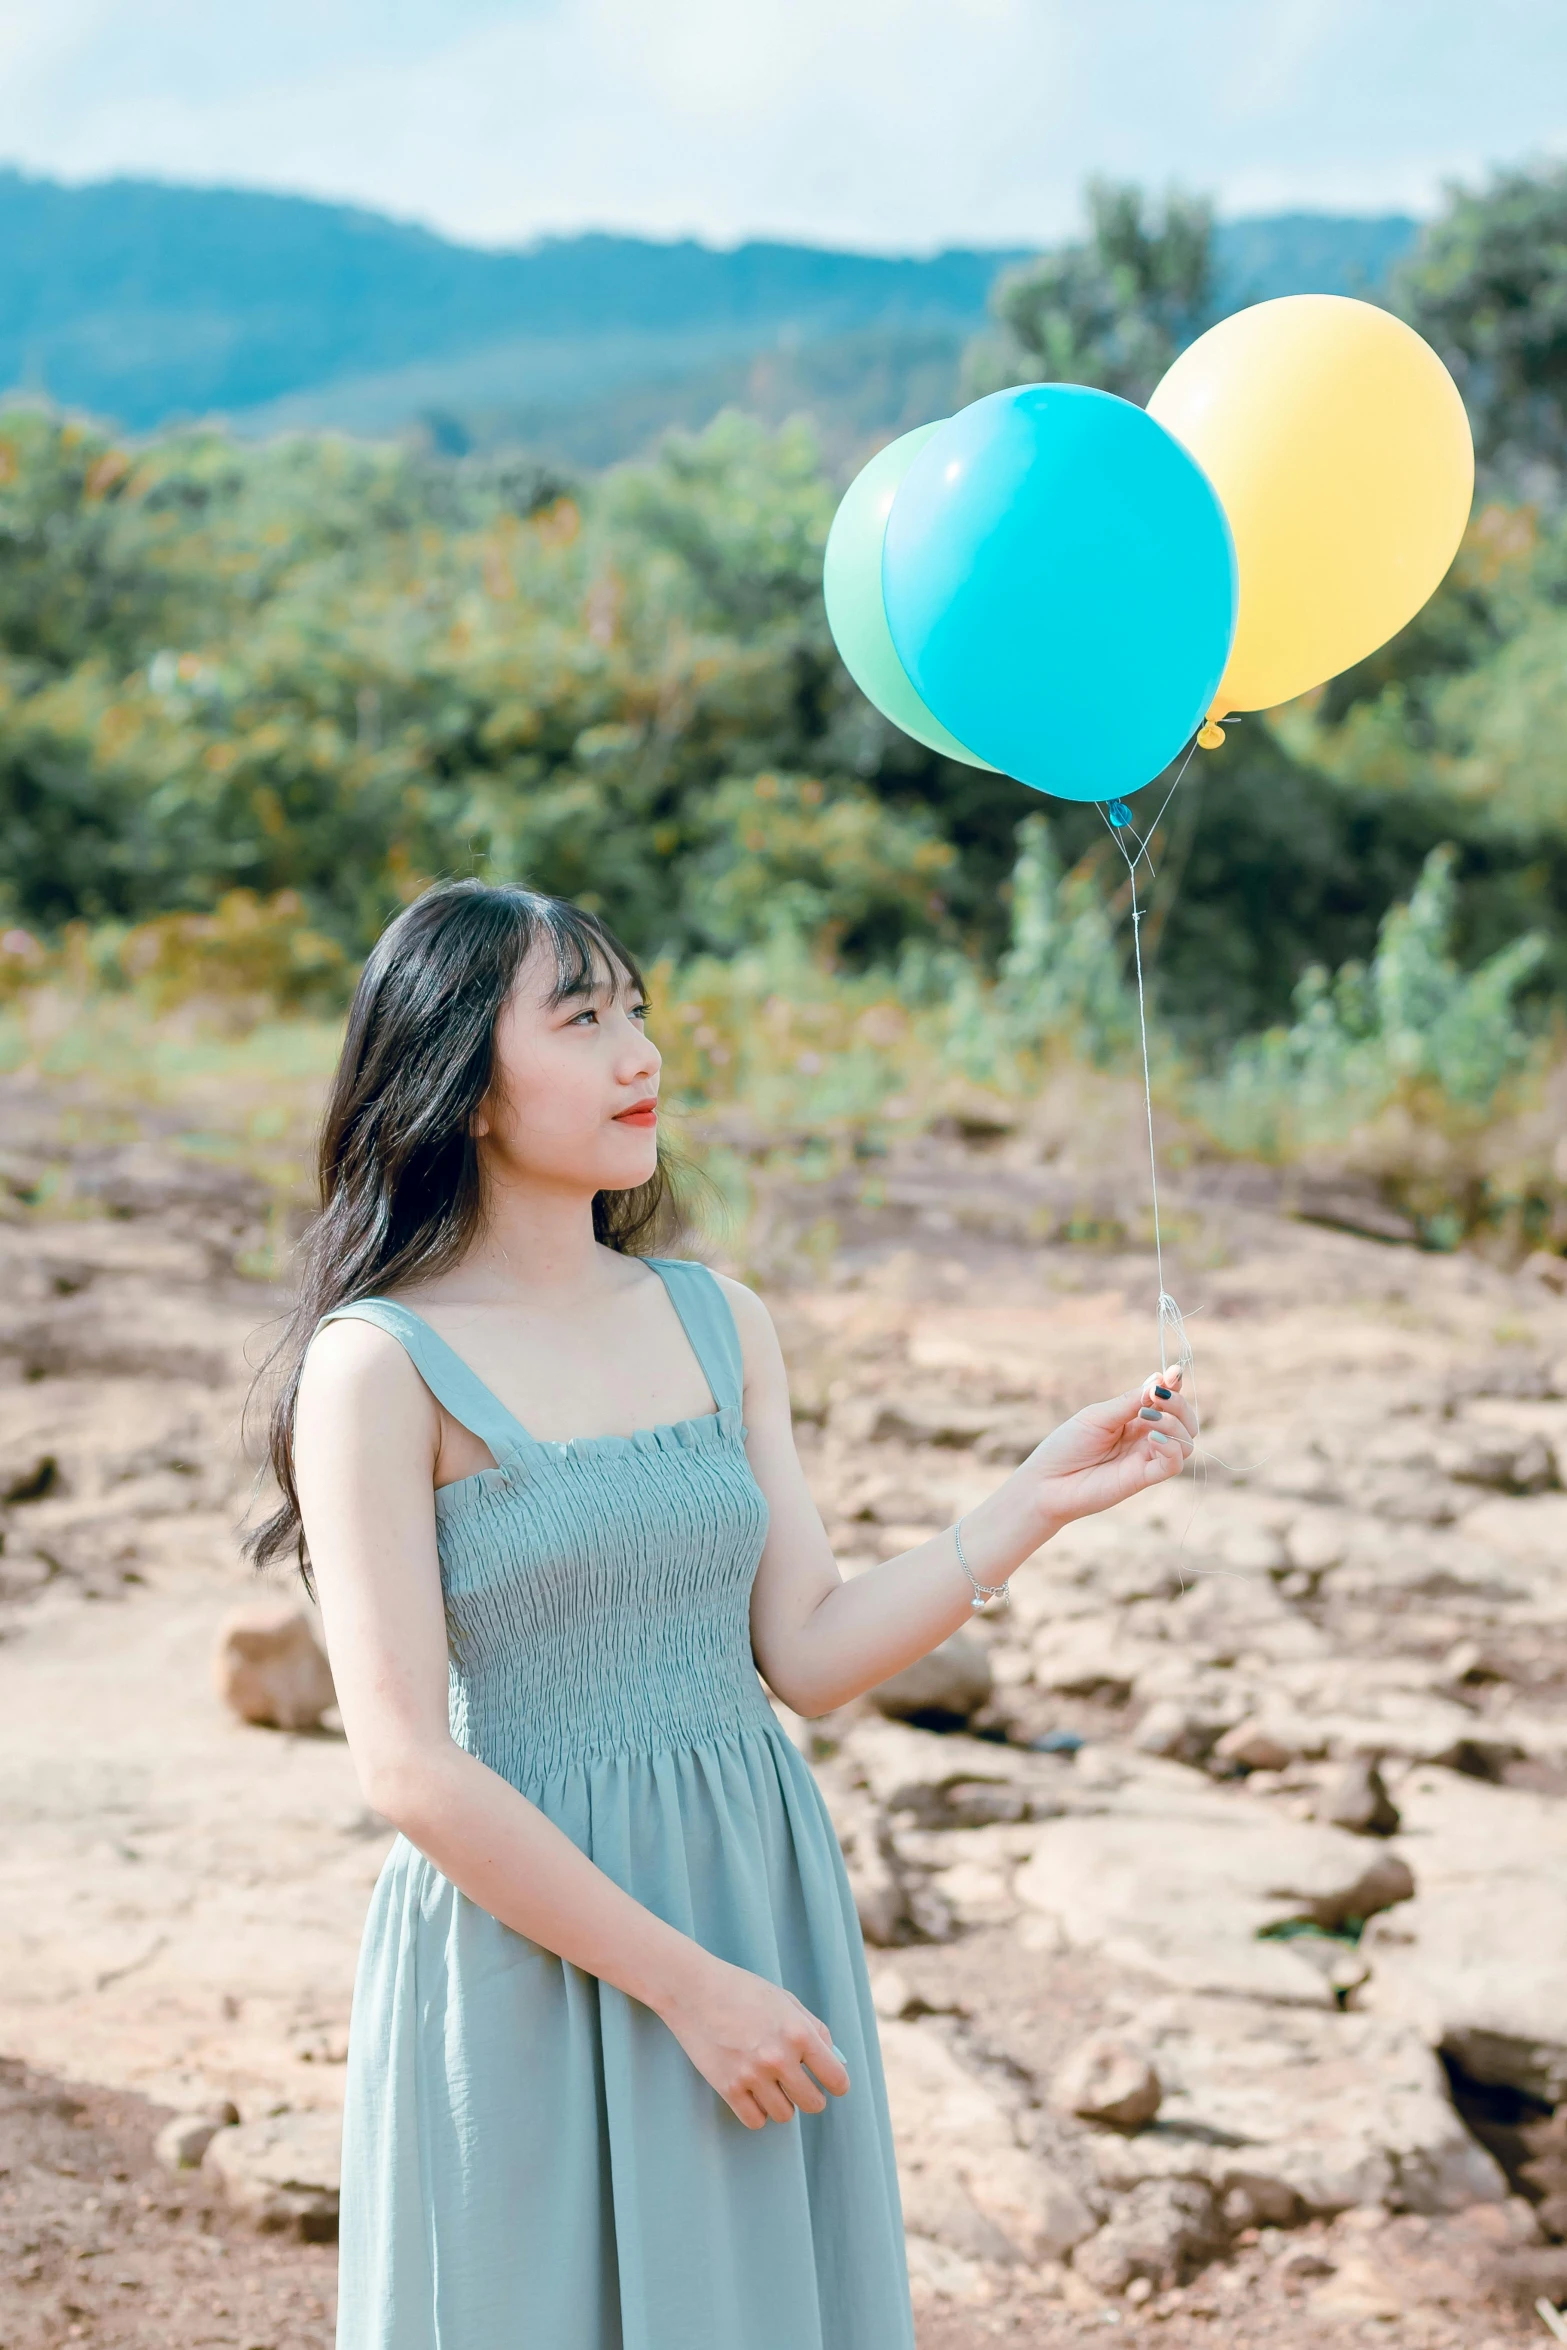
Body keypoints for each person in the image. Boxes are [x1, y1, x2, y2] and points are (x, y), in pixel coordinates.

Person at [249, 879, 1194, 2350]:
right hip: (537, 1926)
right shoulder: (377, 1365)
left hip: (752, 1886)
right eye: (582, 1019)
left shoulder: (714, 1317)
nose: (640, 1056)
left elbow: (805, 1650)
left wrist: (1029, 1502)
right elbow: (407, 1768)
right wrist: (689, 1988)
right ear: (461, 1081)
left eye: (637, 1013)